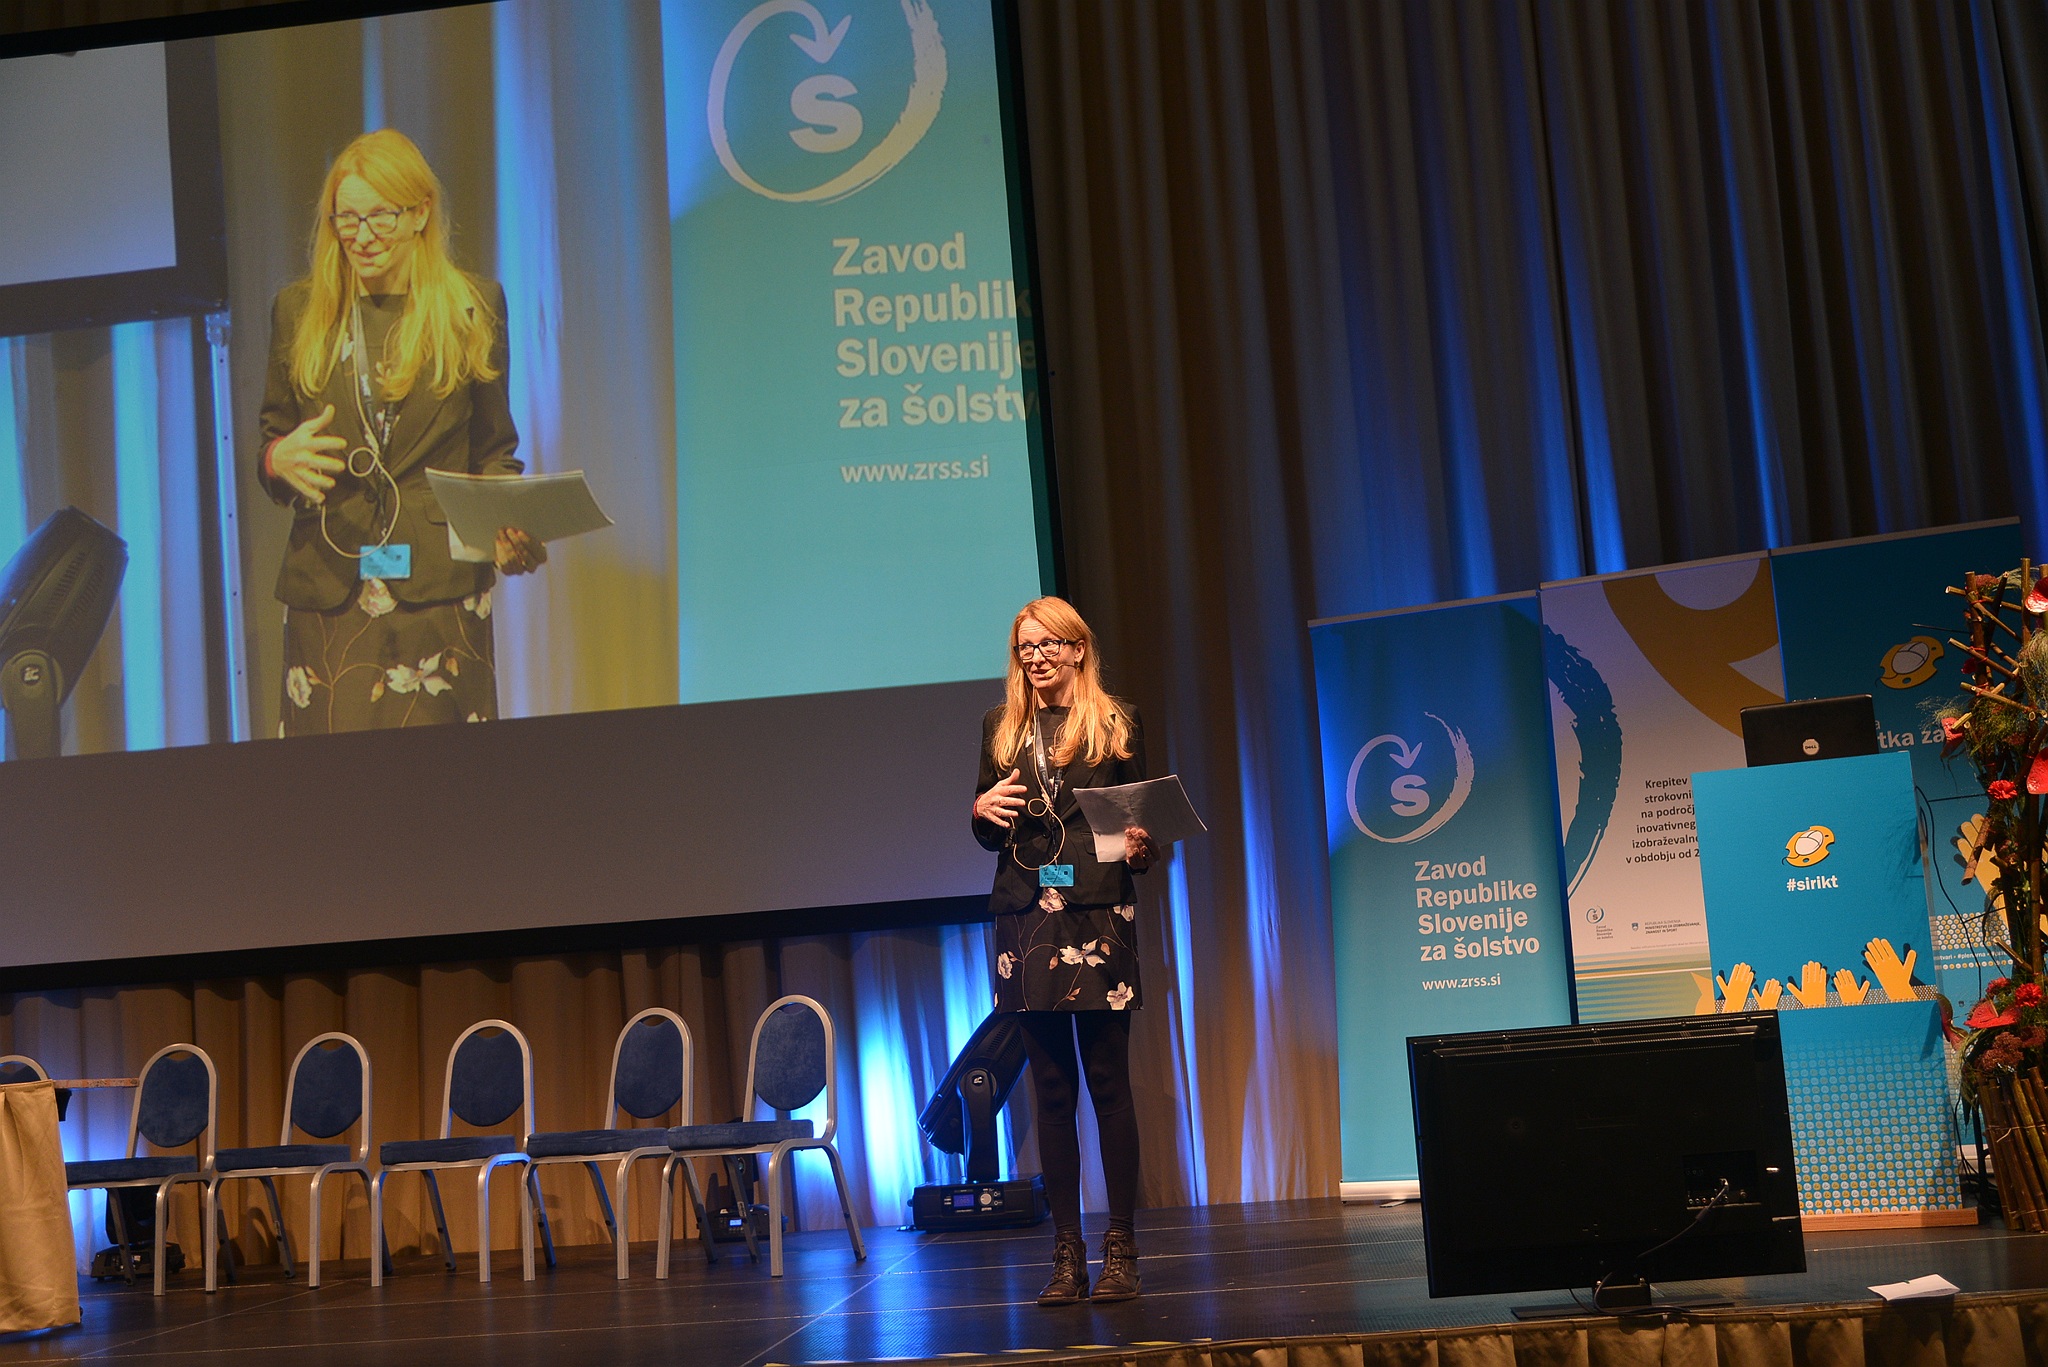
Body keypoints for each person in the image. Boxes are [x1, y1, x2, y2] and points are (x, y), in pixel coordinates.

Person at [257, 128, 544, 735]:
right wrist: (278, 460)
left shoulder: (472, 306)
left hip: (439, 589)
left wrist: (503, 524)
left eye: (380, 217)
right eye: (347, 218)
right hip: (329, 587)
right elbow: (272, 444)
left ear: (420, 213)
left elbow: (495, 449)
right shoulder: (298, 311)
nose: (362, 235)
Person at [971, 596, 1156, 1305]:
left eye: (1050, 644)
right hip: (1026, 915)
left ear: (1078, 648)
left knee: (1107, 1082)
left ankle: (1122, 1249)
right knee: (1050, 1090)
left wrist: (1140, 845)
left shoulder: (1116, 722)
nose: (1038, 657)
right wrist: (980, 812)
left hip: (1097, 910)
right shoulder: (1001, 727)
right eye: (1027, 647)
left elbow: (1141, 831)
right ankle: (1066, 1253)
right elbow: (988, 827)